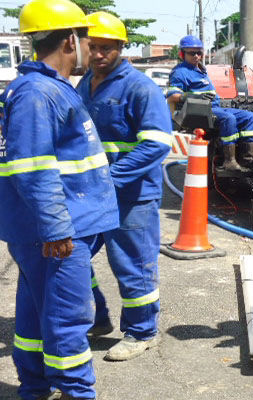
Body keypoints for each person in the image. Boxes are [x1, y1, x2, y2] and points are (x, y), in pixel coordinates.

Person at [0, 0, 119, 398]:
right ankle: (75, 391)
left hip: (53, 225)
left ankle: (34, 387)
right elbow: (33, 168)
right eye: (87, 38)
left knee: (37, 312)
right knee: (68, 317)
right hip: (55, 230)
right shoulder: (39, 93)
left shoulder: (45, 89)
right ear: (71, 39)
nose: (91, 47)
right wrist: (55, 228)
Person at [76, 11, 172, 361]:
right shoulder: (85, 83)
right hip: (92, 195)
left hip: (132, 196)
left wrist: (110, 179)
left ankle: (141, 331)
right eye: (93, 47)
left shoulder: (140, 88)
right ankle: (95, 318)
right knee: (73, 256)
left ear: (121, 48)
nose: (99, 54)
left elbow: (158, 143)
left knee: (132, 264)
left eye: (107, 48)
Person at [166, 35, 253, 172]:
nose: (197, 56)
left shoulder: (200, 70)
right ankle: (229, 161)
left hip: (216, 107)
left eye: (199, 53)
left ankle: (247, 160)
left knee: (250, 117)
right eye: (192, 53)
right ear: (182, 54)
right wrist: (190, 95)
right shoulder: (180, 72)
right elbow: (172, 95)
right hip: (201, 110)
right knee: (229, 119)